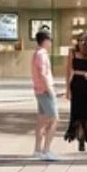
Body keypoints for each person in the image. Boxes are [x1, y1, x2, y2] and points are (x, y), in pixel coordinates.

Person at [31, 29, 58, 161]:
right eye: (50, 40)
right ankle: (46, 150)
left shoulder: (37, 53)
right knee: (54, 119)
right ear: (45, 41)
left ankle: (37, 150)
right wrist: (50, 90)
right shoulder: (42, 54)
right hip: (45, 91)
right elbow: (42, 73)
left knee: (42, 120)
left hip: (39, 90)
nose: (51, 43)